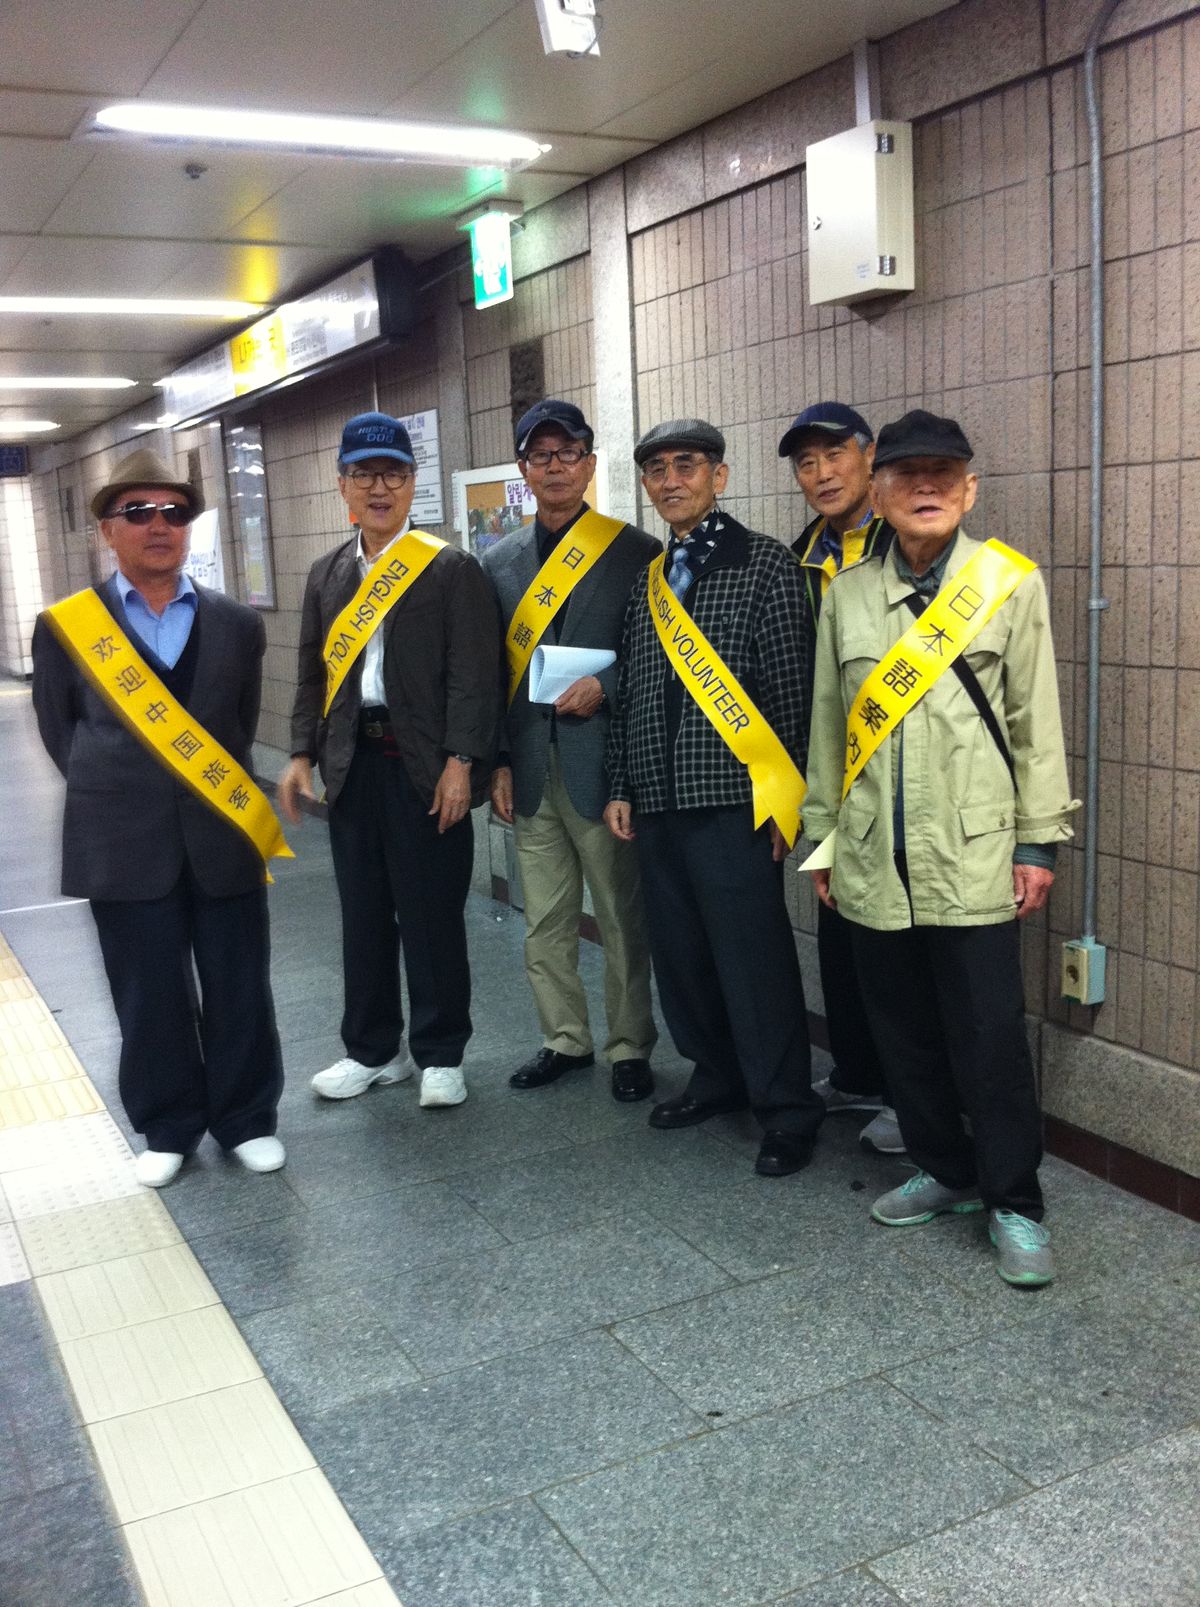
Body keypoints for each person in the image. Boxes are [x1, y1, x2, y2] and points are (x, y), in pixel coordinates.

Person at [804, 409, 1077, 1286]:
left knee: (989, 1036)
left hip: (976, 853)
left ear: (970, 489)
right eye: (908, 474)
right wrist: (824, 842)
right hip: (875, 853)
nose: (926, 488)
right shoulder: (846, 596)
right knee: (905, 1033)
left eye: (944, 474)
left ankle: (1016, 1201)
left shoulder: (1009, 583)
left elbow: (1038, 726)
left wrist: (1038, 841)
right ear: (878, 492)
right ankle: (946, 1168)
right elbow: (825, 732)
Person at [31, 448, 285, 1187]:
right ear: (107, 530)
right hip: (121, 840)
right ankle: (168, 1123)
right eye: (137, 512)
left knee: (240, 982)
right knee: (146, 989)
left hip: (221, 834)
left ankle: (246, 1119)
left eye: (175, 512)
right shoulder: (68, 627)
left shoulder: (237, 624)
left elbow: (236, 725)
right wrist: (123, 787)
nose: (159, 525)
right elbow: (60, 732)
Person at [604, 418, 824, 1176]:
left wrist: (784, 803)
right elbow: (631, 690)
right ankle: (716, 1074)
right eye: (657, 469)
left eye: (687, 465)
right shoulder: (649, 583)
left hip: (734, 801)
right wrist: (623, 786)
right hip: (658, 803)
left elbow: (791, 695)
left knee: (753, 959)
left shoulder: (763, 564)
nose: (671, 480)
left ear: (719, 476)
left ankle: (788, 1107)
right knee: (683, 957)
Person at [279, 412, 500, 1109]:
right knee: (364, 915)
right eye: (365, 473)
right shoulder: (327, 572)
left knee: (431, 914)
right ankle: (372, 1051)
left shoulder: (450, 567)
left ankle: (440, 1052)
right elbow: (314, 673)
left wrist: (464, 758)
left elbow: (474, 674)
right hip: (353, 768)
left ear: (413, 484)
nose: (380, 487)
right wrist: (299, 751)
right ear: (342, 484)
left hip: (425, 769)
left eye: (394, 473)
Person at [483, 399, 658, 1102]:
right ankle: (564, 1037)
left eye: (569, 452)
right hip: (527, 765)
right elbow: (486, 670)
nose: (555, 466)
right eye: (541, 455)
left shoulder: (636, 551)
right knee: (546, 917)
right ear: (523, 471)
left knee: (620, 914)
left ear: (589, 463)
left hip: (603, 763)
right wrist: (496, 758)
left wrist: (606, 684)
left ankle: (629, 1043)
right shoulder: (495, 562)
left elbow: (657, 654)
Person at [780, 400, 900, 1156]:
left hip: (895, 765)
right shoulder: (802, 553)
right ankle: (857, 1071)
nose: (822, 473)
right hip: (829, 772)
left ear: (869, 455)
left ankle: (906, 1088)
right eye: (806, 462)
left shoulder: (907, 541)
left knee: (894, 941)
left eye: (835, 455)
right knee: (839, 933)